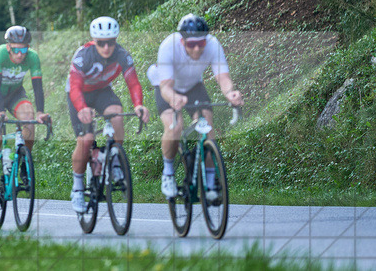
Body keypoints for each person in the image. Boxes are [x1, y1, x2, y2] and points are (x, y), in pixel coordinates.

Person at [148, 14, 244, 203]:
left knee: (207, 126)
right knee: (174, 127)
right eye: (192, 44)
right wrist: (174, 98)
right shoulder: (169, 46)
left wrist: (230, 93)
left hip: (193, 86)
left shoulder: (213, 44)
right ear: (182, 41)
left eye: (201, 43)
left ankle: (210, 183)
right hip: (167, 87)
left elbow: (223, 77)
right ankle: (168, 173)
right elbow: (166, 87)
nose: (198, 48)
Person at [67, 16, 150, 213]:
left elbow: (133, 82)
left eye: (110, 42)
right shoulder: (83, 55)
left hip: (102, 92)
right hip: (78, 95)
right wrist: (81, 109)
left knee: (117, 115)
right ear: (94, 41)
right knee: (86, 140)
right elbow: (75, 88)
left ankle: (113, 159)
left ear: (116, 40)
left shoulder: (121, 54)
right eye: (101, 43)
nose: (106, 47)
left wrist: (138, 105)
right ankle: (78, 188)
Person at [0, 25, 50, 211]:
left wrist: (40, 111)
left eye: (24, 49)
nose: (21, 54)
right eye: (16, 49)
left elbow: (37, 86)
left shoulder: (33, 57)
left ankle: (23, 164)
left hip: (15, 93)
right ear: (9, 46)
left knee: (29, 118)